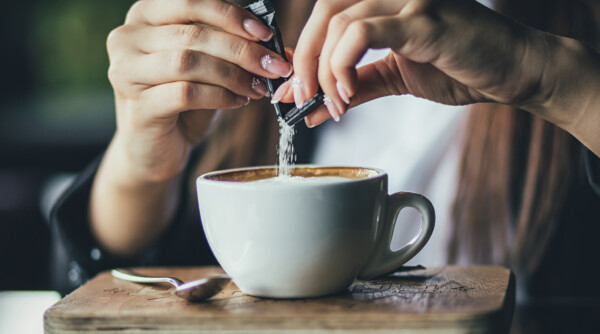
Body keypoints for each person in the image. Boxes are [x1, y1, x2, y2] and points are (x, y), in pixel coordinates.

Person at [51, 0, 600, 300]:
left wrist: (554, 82)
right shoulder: (262, 29)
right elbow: (94, 294)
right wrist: (141, 167)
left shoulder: (573, 35)